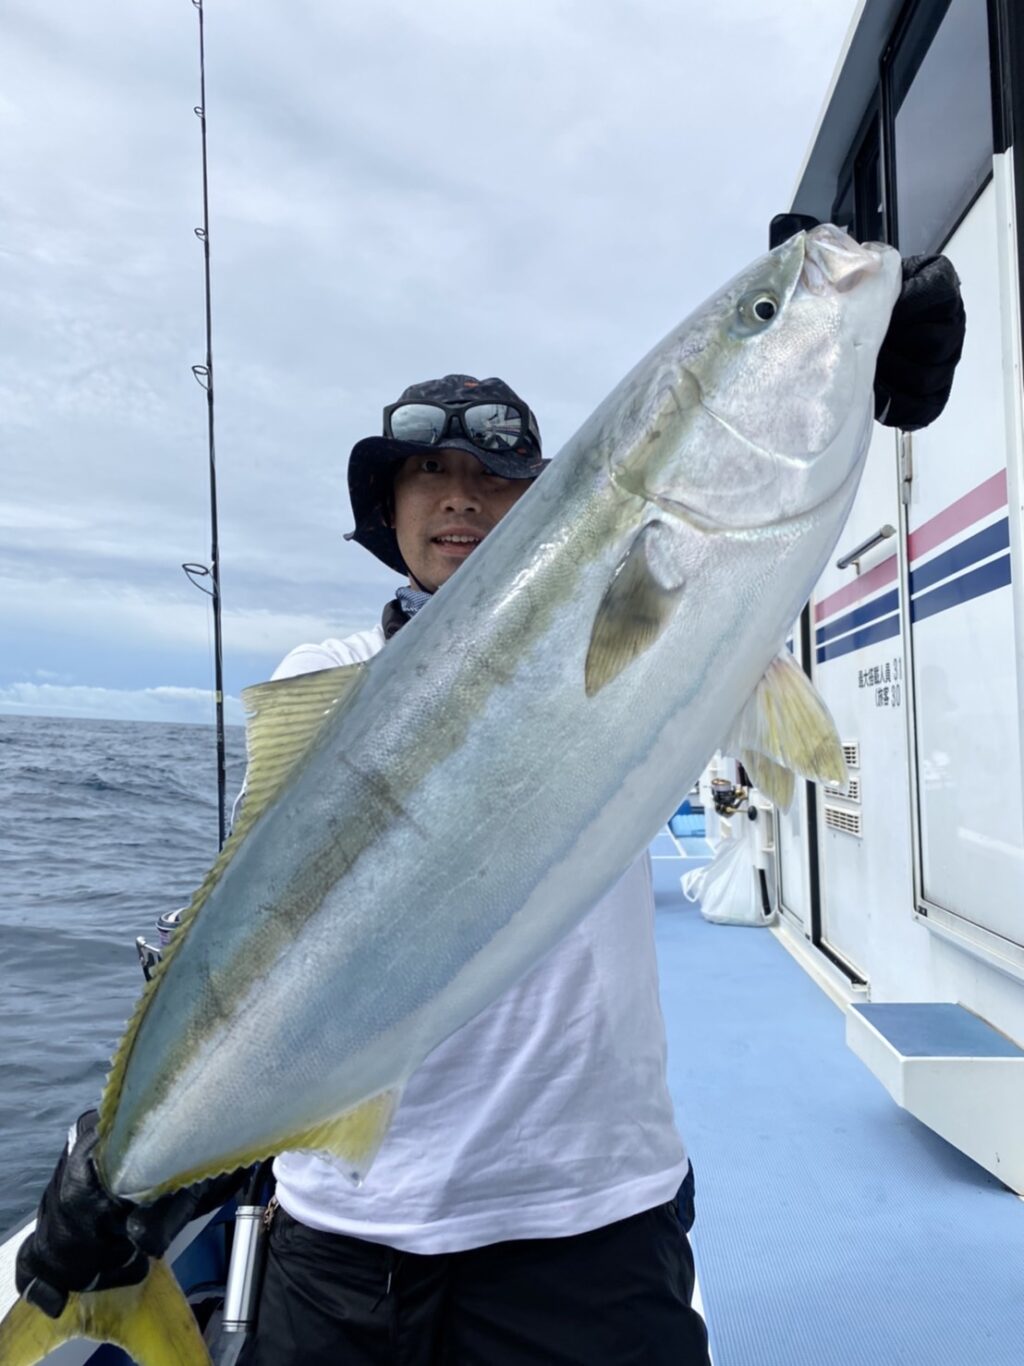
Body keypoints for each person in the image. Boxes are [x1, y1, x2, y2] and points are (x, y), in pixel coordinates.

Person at [15, 248, 966, 1364]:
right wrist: (124, 1157)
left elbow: (739, 592)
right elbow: (258, 939)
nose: (460, 497)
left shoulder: (672, 605)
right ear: (388, 508)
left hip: (588, 1220)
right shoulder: (326, 678)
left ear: (550, 503)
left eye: (497, 477)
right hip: (347, 1236)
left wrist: (850, 378)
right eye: (426, 474)